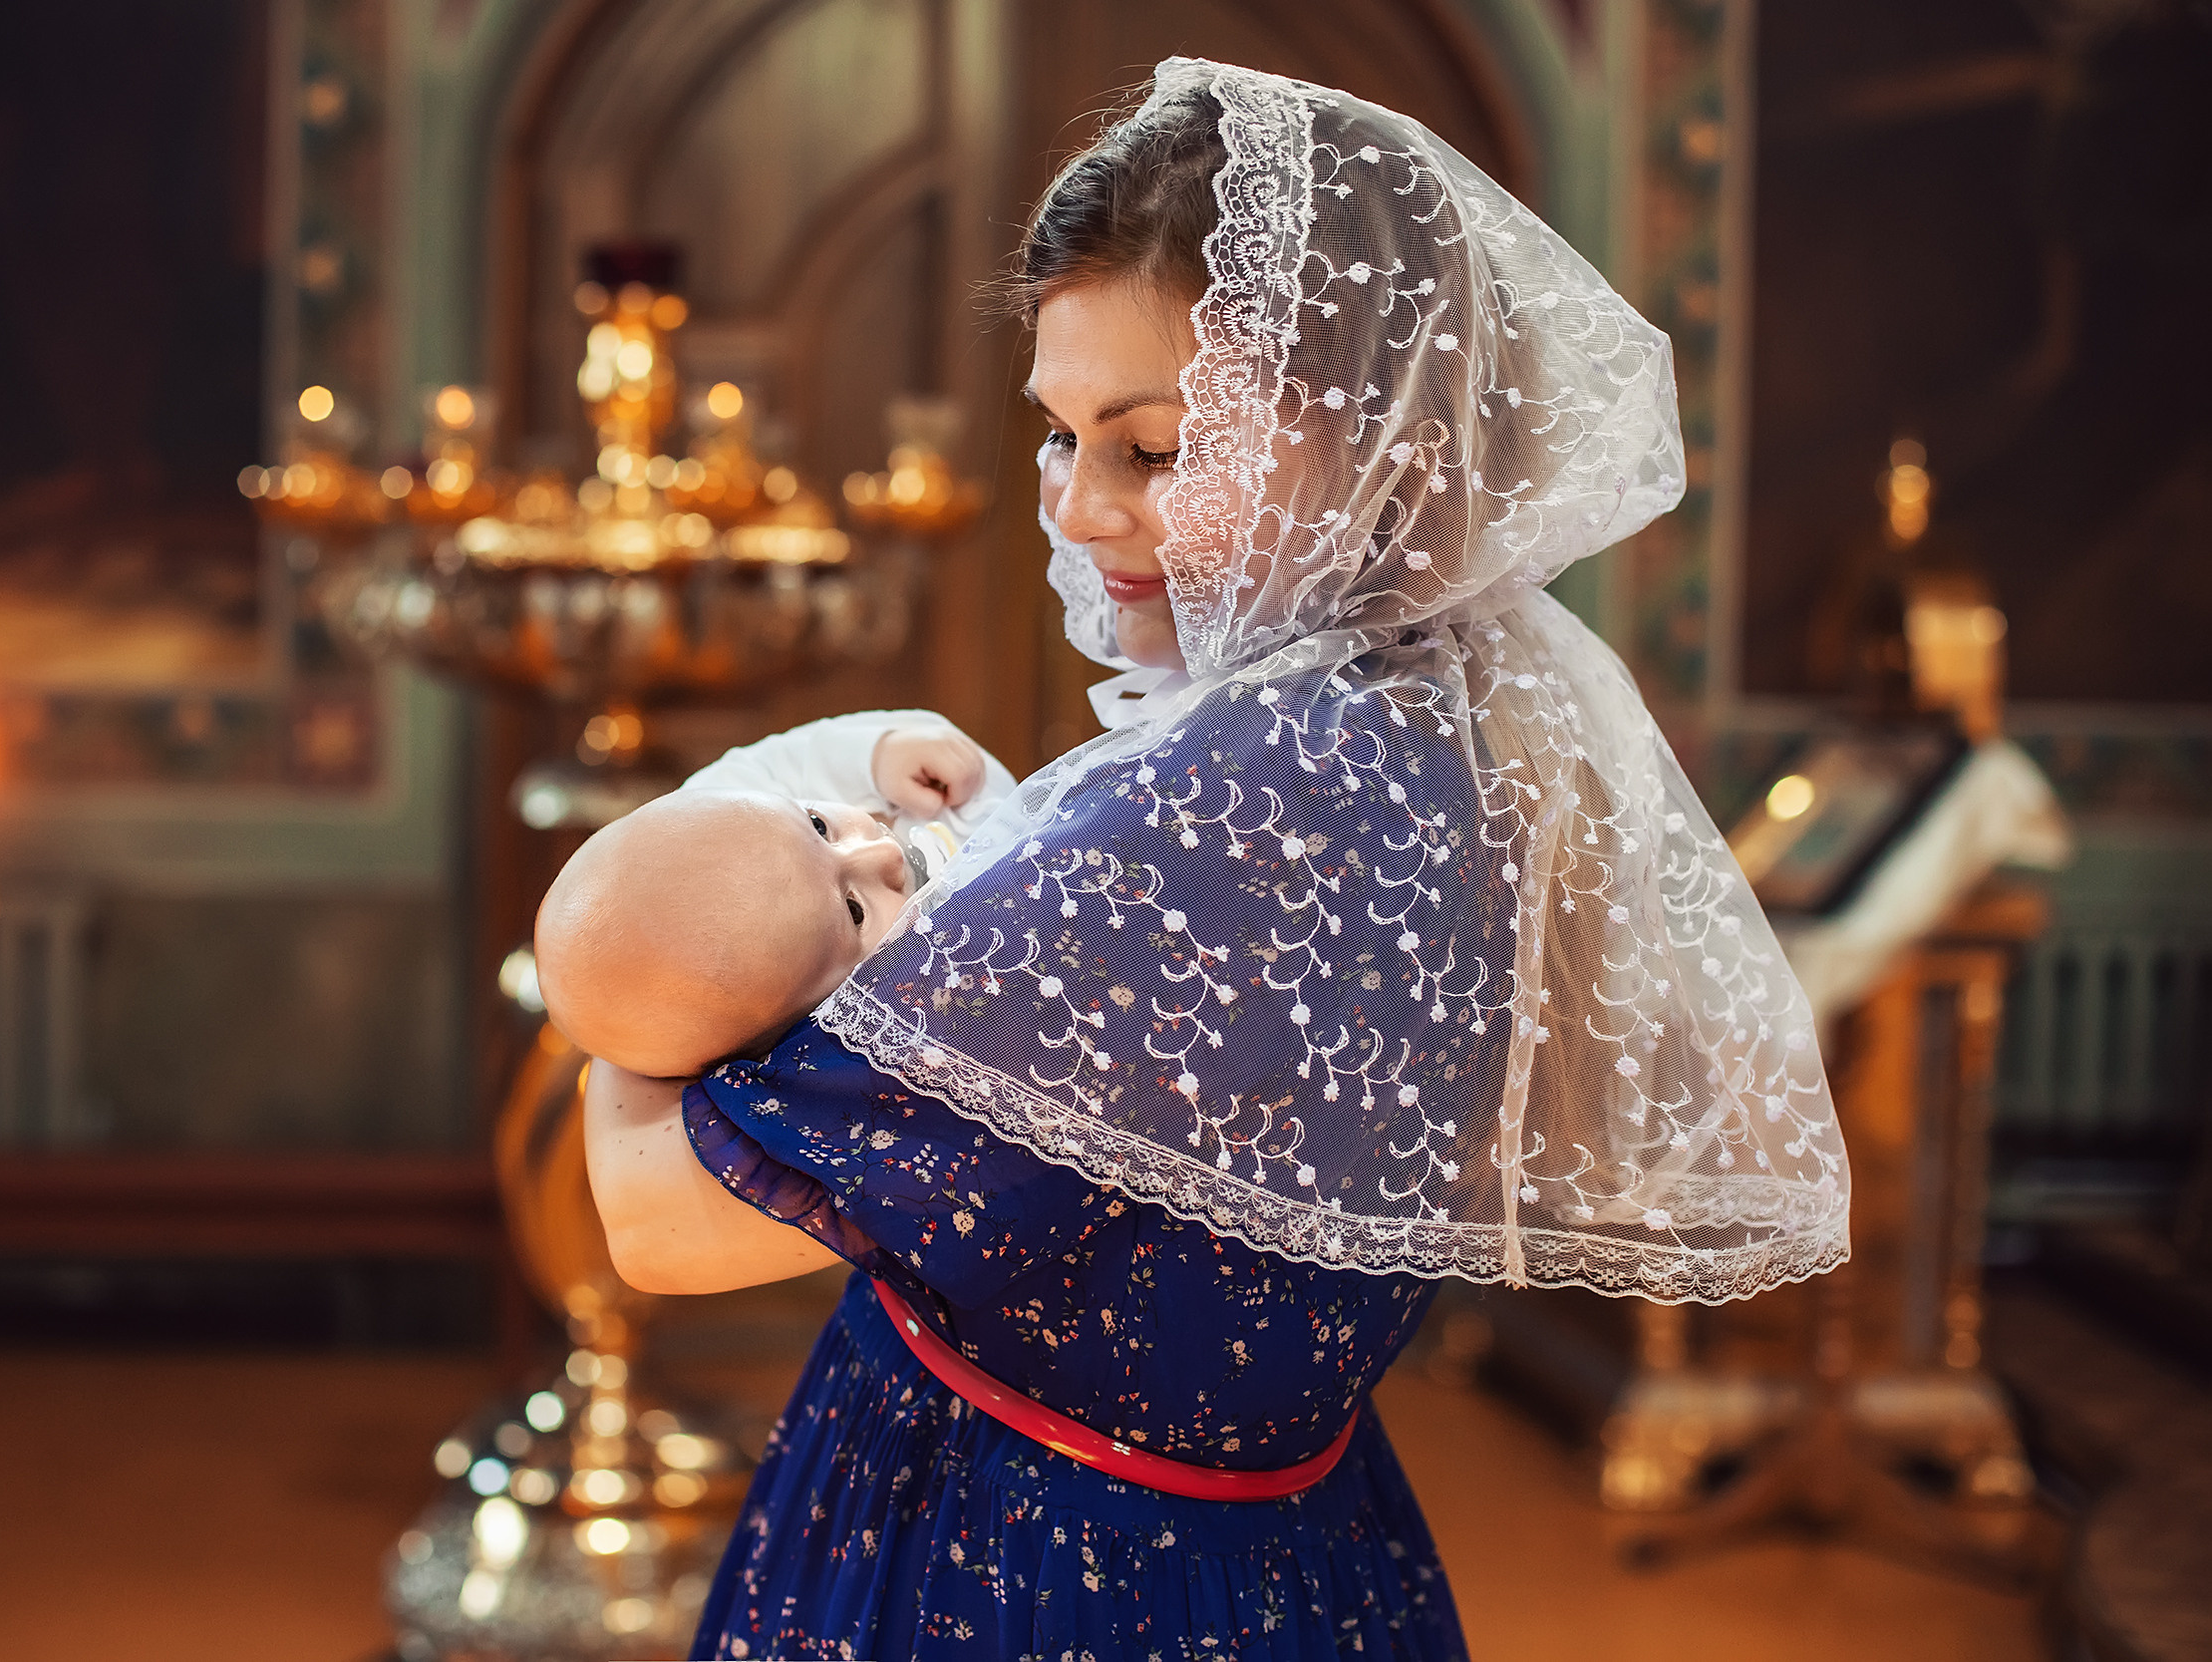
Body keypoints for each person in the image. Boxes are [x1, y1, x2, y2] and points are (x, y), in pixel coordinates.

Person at [568, 60, 1850, 1660]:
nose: (1079, 506)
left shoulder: (1250, 804)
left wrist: (628, 949)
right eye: (1060, 436)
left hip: (1041, 1563)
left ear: (1374, 439)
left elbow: (652, 1219)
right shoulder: (1445, 714)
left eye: (1157, 447)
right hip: (1266, 1537)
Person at [536, 711, 1013, 1078]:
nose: (882, 853)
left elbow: (776, 765)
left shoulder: (721, 809)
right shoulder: (923, 997)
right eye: (854, 910)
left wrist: (875, 758)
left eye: (819, 826)